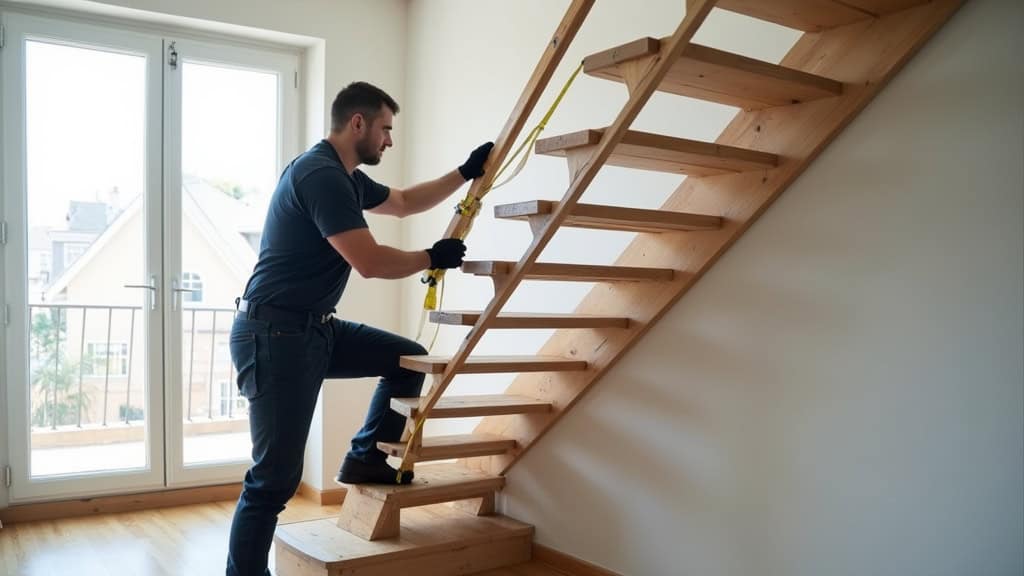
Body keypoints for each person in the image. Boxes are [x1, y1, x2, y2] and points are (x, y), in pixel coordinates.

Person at [225, 80, 493, 576]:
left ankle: (366, 458)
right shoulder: (321, 175)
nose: (389, 140)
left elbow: (405, 201)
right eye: (385, 129)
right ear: (358, 123)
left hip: (313, 330)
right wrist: (430, 257)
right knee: (273, 481)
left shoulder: (346, 177)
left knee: (406, 360)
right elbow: (368, 261)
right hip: (274, 336)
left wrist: (464, 172)